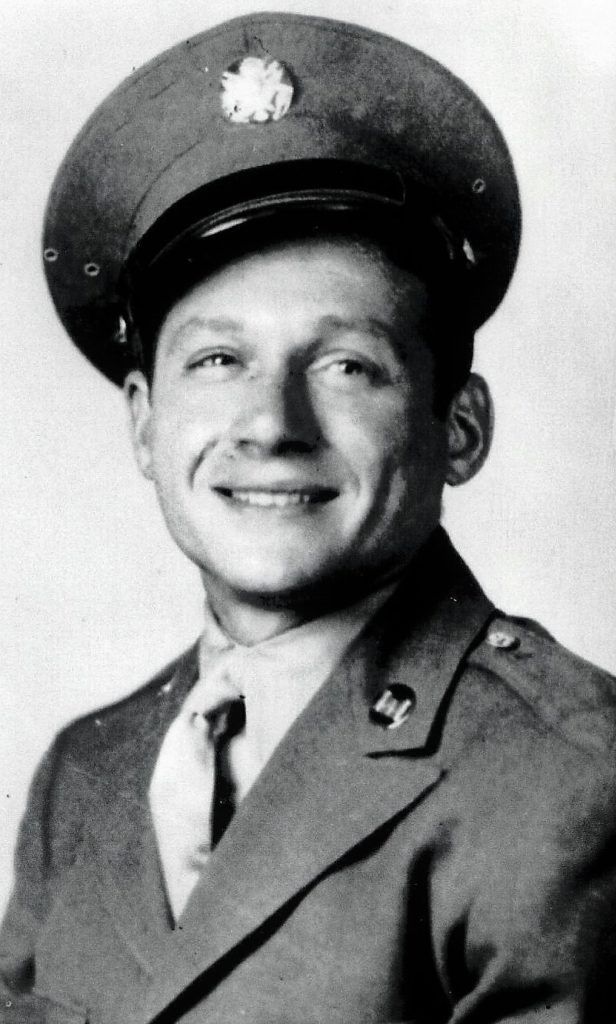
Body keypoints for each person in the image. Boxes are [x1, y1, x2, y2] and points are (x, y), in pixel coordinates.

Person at [1, 11, 616, 1023]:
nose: (271, 425)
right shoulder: (86, 777)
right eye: (217, 360)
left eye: (345, 366)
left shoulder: (565, 777)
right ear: (145, 424)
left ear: (459, 427)